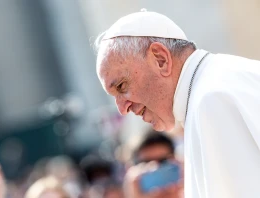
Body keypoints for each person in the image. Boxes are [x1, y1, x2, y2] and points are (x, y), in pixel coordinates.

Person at [95, 9, 260, 198]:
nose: (123, 109)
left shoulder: (211, 101)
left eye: (122, 86)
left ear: (160, 59)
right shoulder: (221, 79)